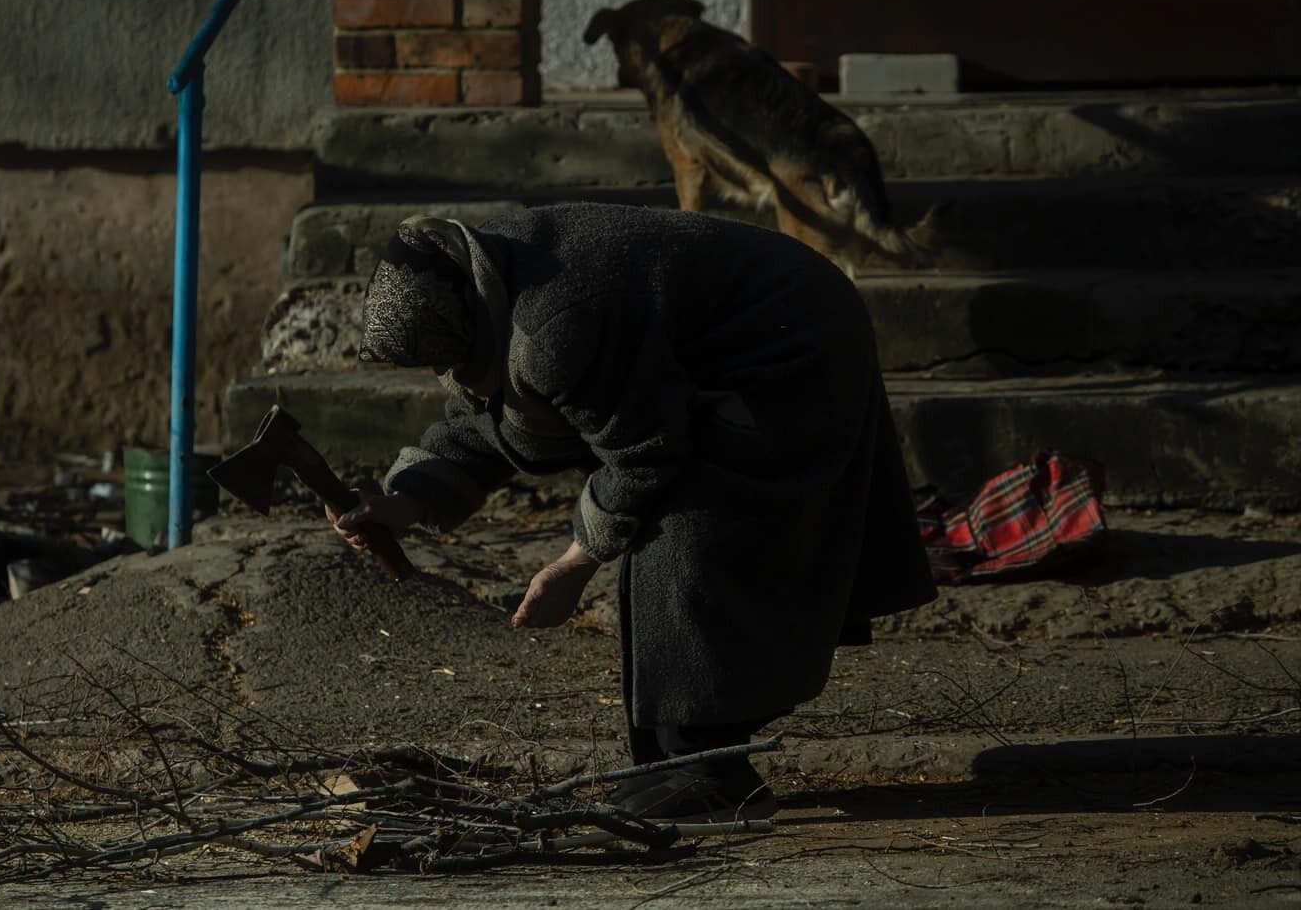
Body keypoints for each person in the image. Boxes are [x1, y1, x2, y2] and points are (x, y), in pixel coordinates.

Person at [327, 204, 937, 820]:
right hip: (730, 342)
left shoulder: (556, 317)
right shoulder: (479, 284)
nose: (445, 373)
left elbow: (644, 457)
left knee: (689, 526)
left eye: (446, 358)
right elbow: (489, 417)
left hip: (793, 341)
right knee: (668, 527)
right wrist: (407, 499)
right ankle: (676, 762)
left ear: (463, 312)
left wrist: (572, 564)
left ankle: (712, 768)